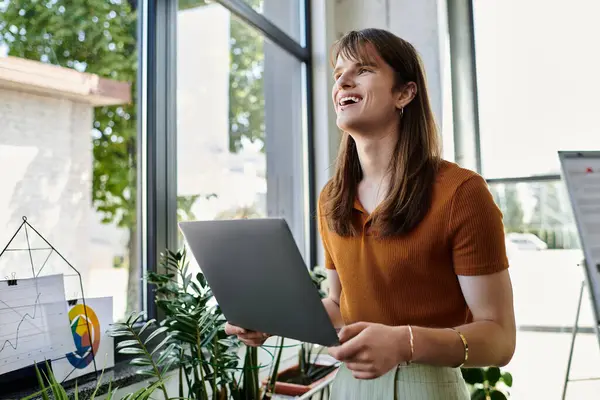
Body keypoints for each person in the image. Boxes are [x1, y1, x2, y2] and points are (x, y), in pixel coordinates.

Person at [226, 28, 516, 399]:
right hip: (348, 385)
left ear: (404, 93)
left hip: (426, 386)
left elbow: (499, 338)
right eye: (338, 73)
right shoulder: (332, 198)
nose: (342, 80)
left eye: (362, 69)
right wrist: (269, 320)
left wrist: (404, 343)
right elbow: (338, 306)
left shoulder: (461, 193)